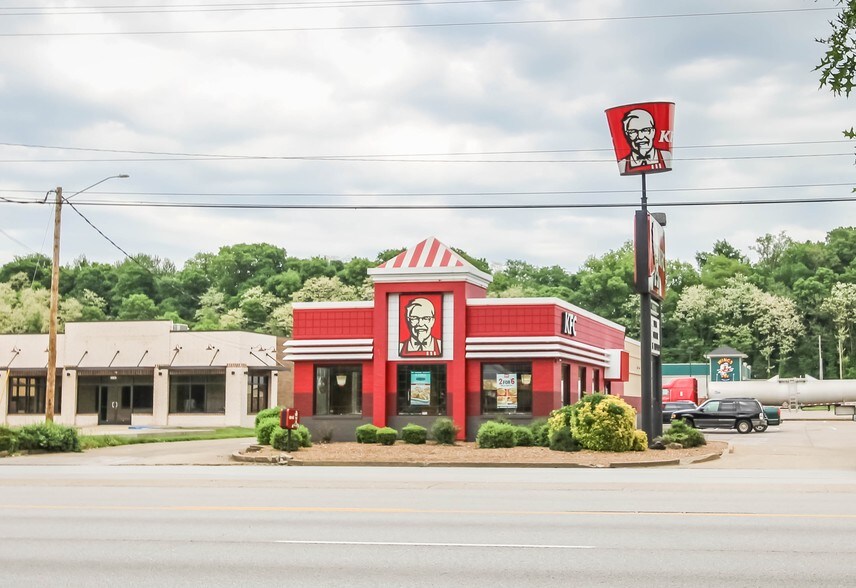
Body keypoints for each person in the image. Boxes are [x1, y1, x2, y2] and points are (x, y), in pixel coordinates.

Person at [619, 108, 672, 174]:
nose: (640, 137)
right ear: (627, 134)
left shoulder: (665, 156)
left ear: (653, 132)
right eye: (633, 131)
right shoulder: (623, 164)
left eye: (645, 130)